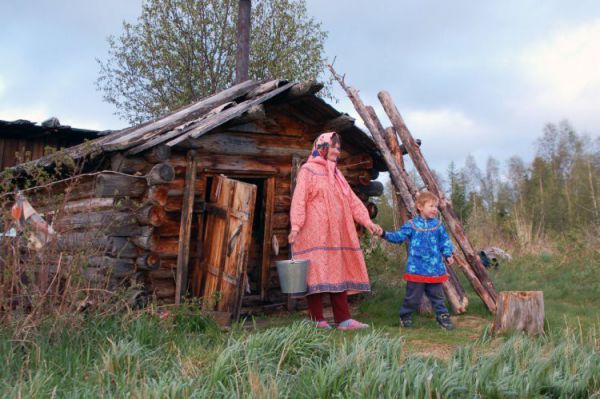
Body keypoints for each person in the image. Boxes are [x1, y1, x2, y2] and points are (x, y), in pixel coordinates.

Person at [288, 132, 383, 330]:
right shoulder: (308, 170)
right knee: (315, 273)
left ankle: (343, 319)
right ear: (321, 146)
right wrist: (296, 226)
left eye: (339, 148)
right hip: (313, 232)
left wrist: (368, 222)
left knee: (337, 271)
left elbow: (352, 201)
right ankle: (317, 320)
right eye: (333, 146)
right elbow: (299, 199)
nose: (337, 151)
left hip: (336, 233)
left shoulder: (336, 174)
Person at [378, 191, 455, 330]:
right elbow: (399, 237)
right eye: (431, 206)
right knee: (412, 297)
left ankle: (442, 317)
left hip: (434, 269)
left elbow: (445, 242)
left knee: (438, 297)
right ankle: (405, 316)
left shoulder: (438, 225)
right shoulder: (412, 225)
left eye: (436, 206)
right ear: (420, 206)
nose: (434, 209)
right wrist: (383, 234)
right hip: (416, 268)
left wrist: (448, 254)